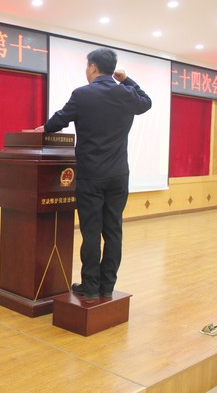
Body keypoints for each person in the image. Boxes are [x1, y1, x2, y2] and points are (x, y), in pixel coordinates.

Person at [36, 48, 152, 299]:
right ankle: (107, 286)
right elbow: (147, 102)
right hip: (119, 175)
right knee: (113, 232)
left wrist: (41, 129)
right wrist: (127, 79)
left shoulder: (82, 94)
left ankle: (90, 285)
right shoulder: (128, 94)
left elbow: (60, 120)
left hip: (91, 175)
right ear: (113, 70)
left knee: (91, 232)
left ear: (92, 67)